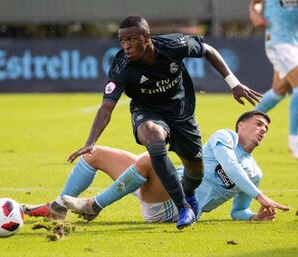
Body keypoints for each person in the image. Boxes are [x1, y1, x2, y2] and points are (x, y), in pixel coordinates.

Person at [66, 15, 262, 229]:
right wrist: (91, 140)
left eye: (131, 39)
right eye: (122, 41)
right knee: (154, 141)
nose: (126, 45)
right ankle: (183, 207)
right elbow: (106, 107)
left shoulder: (173, 45)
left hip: (181, 114)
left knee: (195, 173)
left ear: (146, 37)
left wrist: (234, 83)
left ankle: (188, 194)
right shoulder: (122, 65)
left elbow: (208, 50)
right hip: (147, 112)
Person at [23, 111, 289, 223]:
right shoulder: (225, 138)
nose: (262, 129)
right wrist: (260, 195)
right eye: (258, 123)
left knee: (150, 159)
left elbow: (238, 211)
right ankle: (58, 209)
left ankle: (94, 206)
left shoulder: (254, 173)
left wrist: (255, 215)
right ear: (240, 125)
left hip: (174, 207)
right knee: (94, 154)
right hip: (162, 184)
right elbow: (230, 166)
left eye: (266, 128)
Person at [249, 0, 298, 161]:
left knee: (278, 91)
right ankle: (294, 140)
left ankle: (244, 123)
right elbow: (255, 3)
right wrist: (256, 14)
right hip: (278, 41)